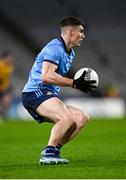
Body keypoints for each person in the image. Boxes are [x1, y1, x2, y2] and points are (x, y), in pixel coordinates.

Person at [22, 16, 96, 165]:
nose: (83, 35)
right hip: (36, 92)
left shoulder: (70, 52)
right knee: (66, 118)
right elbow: (47, 76)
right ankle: (48, 154)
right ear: (70, 31)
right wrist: (75, 83)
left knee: (81, 118)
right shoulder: (54, 48)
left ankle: (53, 150)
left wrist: (78, 83)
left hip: (47, 94)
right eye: (80, 31)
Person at [0, 51, 14, 119]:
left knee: (7, 101)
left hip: (4, 88)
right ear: (4, 58)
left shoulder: (10, 67)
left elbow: (8, 77)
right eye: (9, 58)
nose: (10, 59)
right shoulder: (0, 65)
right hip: (1, 86)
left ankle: (2, 115)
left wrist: (8, 85)